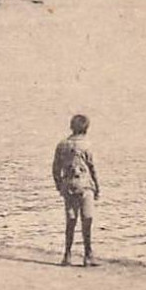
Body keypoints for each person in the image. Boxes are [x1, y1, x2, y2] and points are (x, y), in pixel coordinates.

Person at [53, 114, 101, 267]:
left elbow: (55, 168)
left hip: (69, 185)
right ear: (86, 128)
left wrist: (59, 184)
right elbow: (92, 168)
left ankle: (67, 255)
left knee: (71, 220)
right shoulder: (87, 145)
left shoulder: (62, 145)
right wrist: (97, 187)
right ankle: (88, 255)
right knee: (87, 219)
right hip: (85, 185)